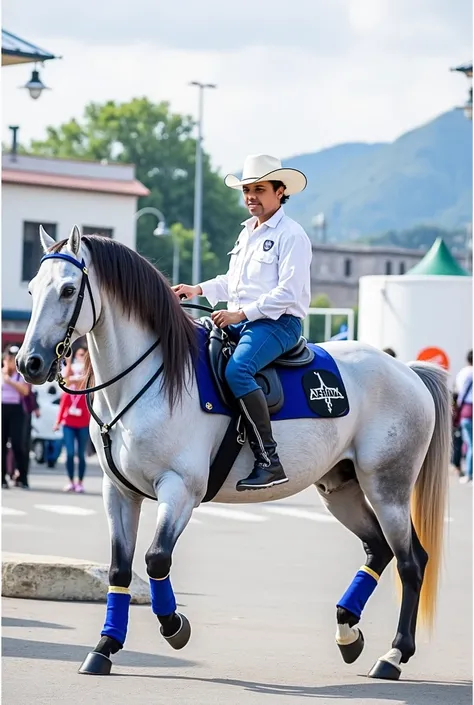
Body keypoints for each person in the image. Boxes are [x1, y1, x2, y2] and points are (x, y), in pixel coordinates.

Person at [173, 154, 311, 491]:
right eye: (246, 190)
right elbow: (232, 284)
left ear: (280, 191)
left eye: (259, 189)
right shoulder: (246, 233)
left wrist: (240, 314)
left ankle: (269, 459)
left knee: (238, 370)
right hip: (244, 321)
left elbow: (287, 293)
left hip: (279, 323)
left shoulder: (293, 235)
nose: (250, 196)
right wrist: (197, 290)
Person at [2, 345, 30, 489]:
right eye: (8, 357)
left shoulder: (20, 374)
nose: (10, 360)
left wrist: (9, 380)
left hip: (17, 411)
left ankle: (22, 477)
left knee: (18, 444)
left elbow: (25, 390)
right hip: (3, 408)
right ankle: (2, 478)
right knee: (2, 444)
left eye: (13, 358)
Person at [53, 388, 91, 493]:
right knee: (69, 453)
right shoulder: (67, 393)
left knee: (81, 454)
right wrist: (57, 422)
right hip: (68, 425)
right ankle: (71, 481)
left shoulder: (85, 393)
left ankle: (80, 482)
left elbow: (91, 409)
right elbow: (62, 408)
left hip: (83, 425)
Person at [455, 350, 473, 484]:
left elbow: (460, 394)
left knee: (467, 443)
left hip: (465, 411)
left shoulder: (462, 373)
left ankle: (467, 472)